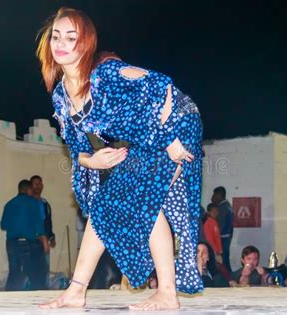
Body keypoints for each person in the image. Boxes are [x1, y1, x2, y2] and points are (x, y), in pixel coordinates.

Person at [38, 7, 203, 310]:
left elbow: (160, 84)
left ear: (85, 43)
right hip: (148, 136)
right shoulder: (61, 95)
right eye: (56, 36)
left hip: (176, 121)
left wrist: (169, 140)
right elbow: (78, 149)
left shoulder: (105, 74)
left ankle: (168, 293)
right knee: (105, 206)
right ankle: (76, 291)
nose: (60, 43)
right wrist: (93, 161)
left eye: (71, 37)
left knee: (144, 201)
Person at [0, 180, 48, 290]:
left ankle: (8, 297)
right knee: (34, 273)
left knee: (14, 271)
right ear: (28, 189)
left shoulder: (9, 204)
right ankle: (38, 297)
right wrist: (44, 241)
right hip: (28, 242)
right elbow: (38, 223)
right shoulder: (33, 203)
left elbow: (3, 225)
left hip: (11, 243)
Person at [30, 175, 54, 286]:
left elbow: (48, 222)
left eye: (39, 183)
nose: (38, 186)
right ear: (31, 186)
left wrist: (51, 236)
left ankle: (43, 290)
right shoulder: (28, 203)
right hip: (31, 241)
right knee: (33, 269)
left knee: (44, 268)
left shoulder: (45, 204)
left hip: (44, 242)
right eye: (35, 183)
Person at [211, 186, 234, 272]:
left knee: (222, 261)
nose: (212, 197)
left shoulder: (222, 208)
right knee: (225, 259)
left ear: (219, 195)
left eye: (214, 195)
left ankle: (227, 279)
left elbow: (219, 225)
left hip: (222, 238)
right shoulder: (227, 206)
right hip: (226, 237)